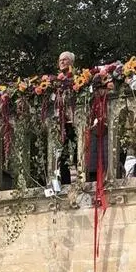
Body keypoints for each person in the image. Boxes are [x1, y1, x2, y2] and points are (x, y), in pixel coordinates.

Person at [56, 51, 78, 185]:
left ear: (71, 62)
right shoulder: (55, 81)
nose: (62, 62)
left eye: (65, 59)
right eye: (60, 60)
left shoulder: (77, 77)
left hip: (74, 120)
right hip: (61, 122)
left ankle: (81, 179)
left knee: (77, 150)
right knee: (62, 154)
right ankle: (64, 182)